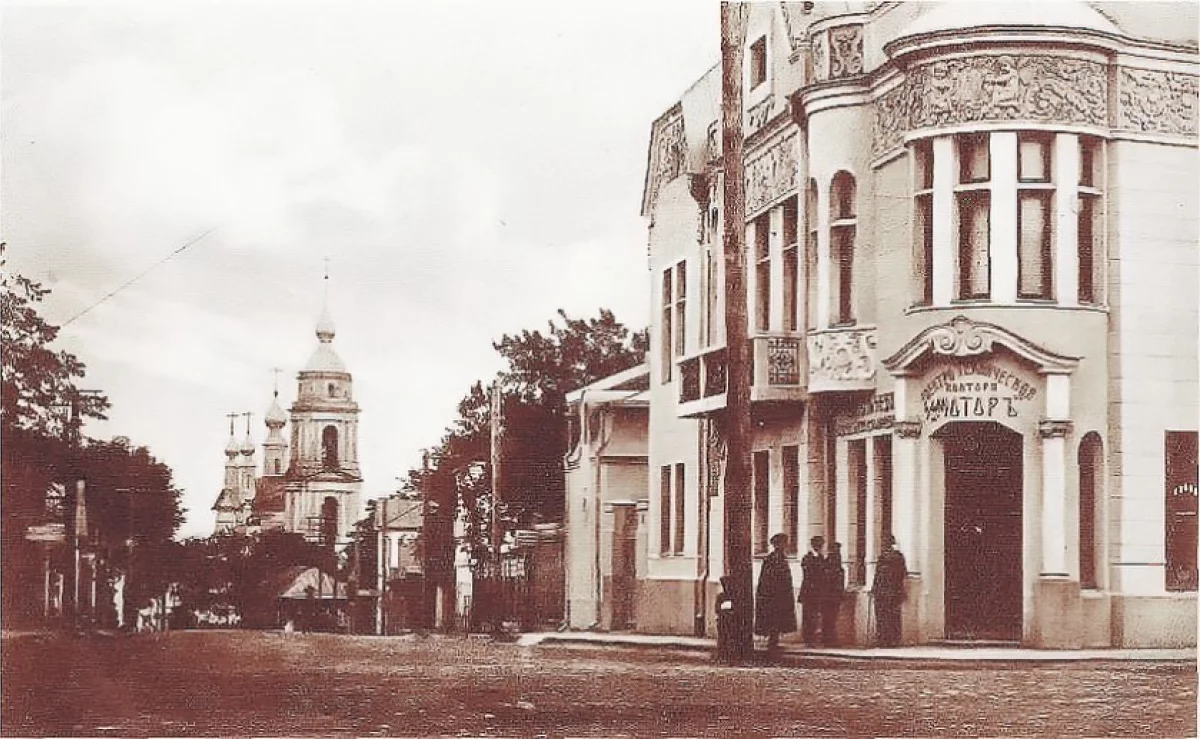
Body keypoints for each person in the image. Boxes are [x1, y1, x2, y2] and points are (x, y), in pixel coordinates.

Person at [754, 533, 797, 654]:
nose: (785, 546)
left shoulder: (781, 558)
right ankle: (772, 642)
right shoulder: (771, 559)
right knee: (774, 619)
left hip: (781, 596)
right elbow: (767, 579)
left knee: (778, 620)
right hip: (774, 596)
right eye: (783, 543)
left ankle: (774, 641)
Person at [872, 535, 908, 647]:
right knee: (888, 617)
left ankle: (887, 639)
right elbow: (903, 574)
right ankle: (888, 639)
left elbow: (901, 574)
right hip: (888, 592)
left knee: (887, 617)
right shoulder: (894, 557)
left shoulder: (889, 557)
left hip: (888, 592)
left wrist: (875, 588)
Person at [798, 535, 825, 647]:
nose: (820, 547)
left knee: (816, 617)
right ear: (813, 545)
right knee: (808, 617)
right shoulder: (807, 558)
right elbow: (809, 574)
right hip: (809, 592)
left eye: (821, 545)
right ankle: (808, 639)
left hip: (818, 592)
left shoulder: (821, 557)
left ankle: (813, 638)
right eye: (818, 545)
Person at [822, 541, 845, 646]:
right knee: (829, 618)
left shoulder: (834, 564)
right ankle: (829, 639)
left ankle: (829, 638)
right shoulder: (831, 564)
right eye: (836, 549)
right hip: (830, 596)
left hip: (833, 595)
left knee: (830, 618)